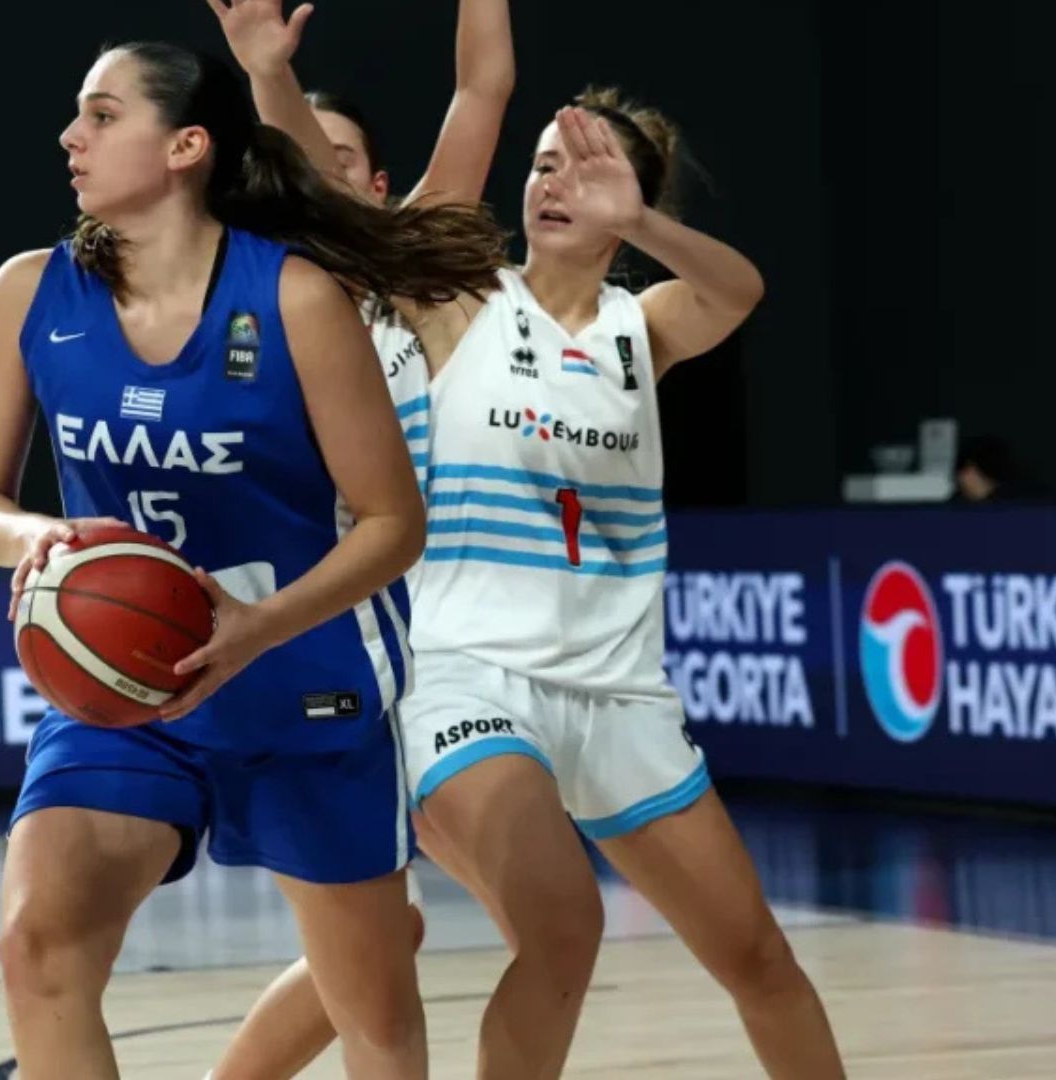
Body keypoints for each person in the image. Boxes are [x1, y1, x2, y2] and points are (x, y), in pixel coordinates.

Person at [213, 13, 846, 1077]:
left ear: (632, 203)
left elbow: (739, 291)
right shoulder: (454, 296)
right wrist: (269, 73)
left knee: (758, 958)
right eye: (546, 164)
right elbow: (452, 105)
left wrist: (640, 220)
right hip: (464, 677)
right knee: (558, 928)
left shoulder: (643, 326)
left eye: (585, 171)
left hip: (620, 693)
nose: (554, 182)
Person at [0, 40, 507, 1079]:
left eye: (103, 115)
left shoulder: (295, 298)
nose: (71, 136)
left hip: (300, 678)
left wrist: (256, 630)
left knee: (375, 1013)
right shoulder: (30, 291)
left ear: (186, 146)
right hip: (128, 687)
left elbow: (394, 523)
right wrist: (40, 539)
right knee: (36, 945)